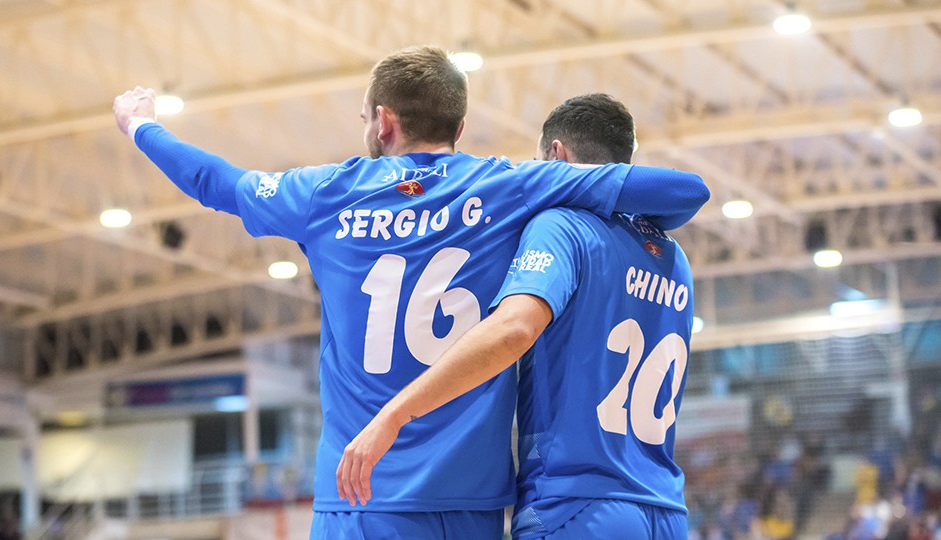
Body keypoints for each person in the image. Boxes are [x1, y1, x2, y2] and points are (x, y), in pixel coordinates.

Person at [113, 46, 708, 539]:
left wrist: (142, 127)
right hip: (472, 505)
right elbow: (682, 192)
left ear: (384, 121)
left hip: (359, 495)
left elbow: (215, 182)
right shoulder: (510, 186)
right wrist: (582, 184)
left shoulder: (327, 194)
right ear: (460, 126)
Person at [338, 94, 698, 539]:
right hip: (665, 511)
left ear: (558, 156)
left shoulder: (562, 226)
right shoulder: (673, 257)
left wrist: (395, 413)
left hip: (578, 508)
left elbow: (515, 328)